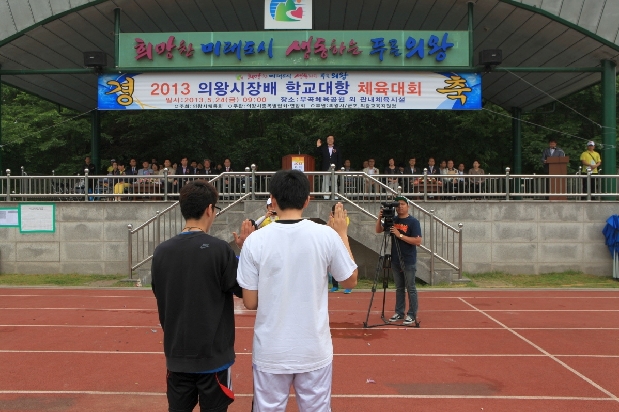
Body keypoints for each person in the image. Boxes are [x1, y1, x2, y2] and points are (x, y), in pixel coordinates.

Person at [237, 169, 358, 412]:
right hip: (313, 348)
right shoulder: (326, 235)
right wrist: (342, 233)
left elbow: (249, 302)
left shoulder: (255, 241)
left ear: (273, 198)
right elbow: (350, 280)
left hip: (271, 350)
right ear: (307, 200)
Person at [151, 180, 253, 412]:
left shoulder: (161, 252)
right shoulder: (219, 250)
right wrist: (246, 251)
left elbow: (159, 291)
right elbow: (243, 289)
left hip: (177, 355)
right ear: (209, 209)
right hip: (213, 358)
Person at [375, 196, 422, 326]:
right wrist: (380, 218)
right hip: (395, 258)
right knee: (399, 288)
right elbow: (378, 230)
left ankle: (412, 314)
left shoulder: (413, 222)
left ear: (408, 206)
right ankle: (399, 312)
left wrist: (399, 235)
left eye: (402, 204)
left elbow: (418, 241)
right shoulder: (393, 220)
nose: (400, 206)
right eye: (398, 204)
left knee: (410, 288)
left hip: (408, 259)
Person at [329, 203, 352, 294]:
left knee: (346, 264)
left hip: (343, 243)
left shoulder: (345, 219)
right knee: (333, 266)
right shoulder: (331, 220)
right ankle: (335, 285)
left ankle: (348, 287)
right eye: (336, 210)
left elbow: (342, 226)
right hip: (333, 244)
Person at [316, 135, 343, 199]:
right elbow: (317, 154)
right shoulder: (324, 148)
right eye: (328, 139)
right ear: (327, 140)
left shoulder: (337, 148)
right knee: (325, 181)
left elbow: (339, 159)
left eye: (331, 139)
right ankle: (326, 196)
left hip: (335, 168)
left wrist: (339, 168)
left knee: (335, 182)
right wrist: (318, 146)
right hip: (326, 167)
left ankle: (335, 196)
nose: (330, 140)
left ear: (333, 140)